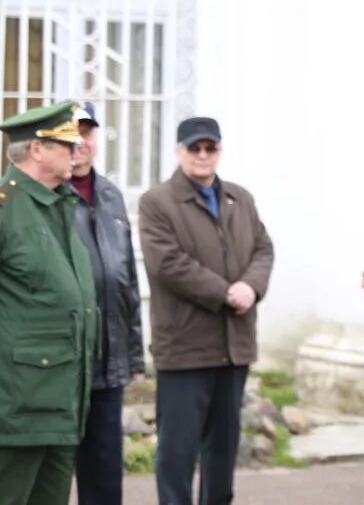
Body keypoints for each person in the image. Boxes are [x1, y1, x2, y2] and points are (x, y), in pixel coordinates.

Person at [139, 117, 275, 505]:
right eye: (193, 148)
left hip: (234, 347)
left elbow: (263, 248)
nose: (202, 156)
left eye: (209, 148)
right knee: (177, 451)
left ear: (219, 151)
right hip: (185, 348)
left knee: (223, 450)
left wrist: (251, 286)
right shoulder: (157, 202)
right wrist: (226, 292)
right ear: (178, 151)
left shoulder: (240, 198)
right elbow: (167, 263)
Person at [0, 102, 98, 505]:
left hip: (62, 405)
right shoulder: (7, 209)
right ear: (37, 150)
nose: (77, 151)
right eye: (66, 144)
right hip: (16, 409)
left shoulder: (60, 207)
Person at [70, 103, 145, 505]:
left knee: (104, 476)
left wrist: (133, 355)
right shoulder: (45, 195)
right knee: (51, 472)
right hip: (64, 364)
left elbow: (127, 281)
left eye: (87, 132)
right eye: (72, 132)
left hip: (108, 361)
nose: (80, 142)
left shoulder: (112, 196)